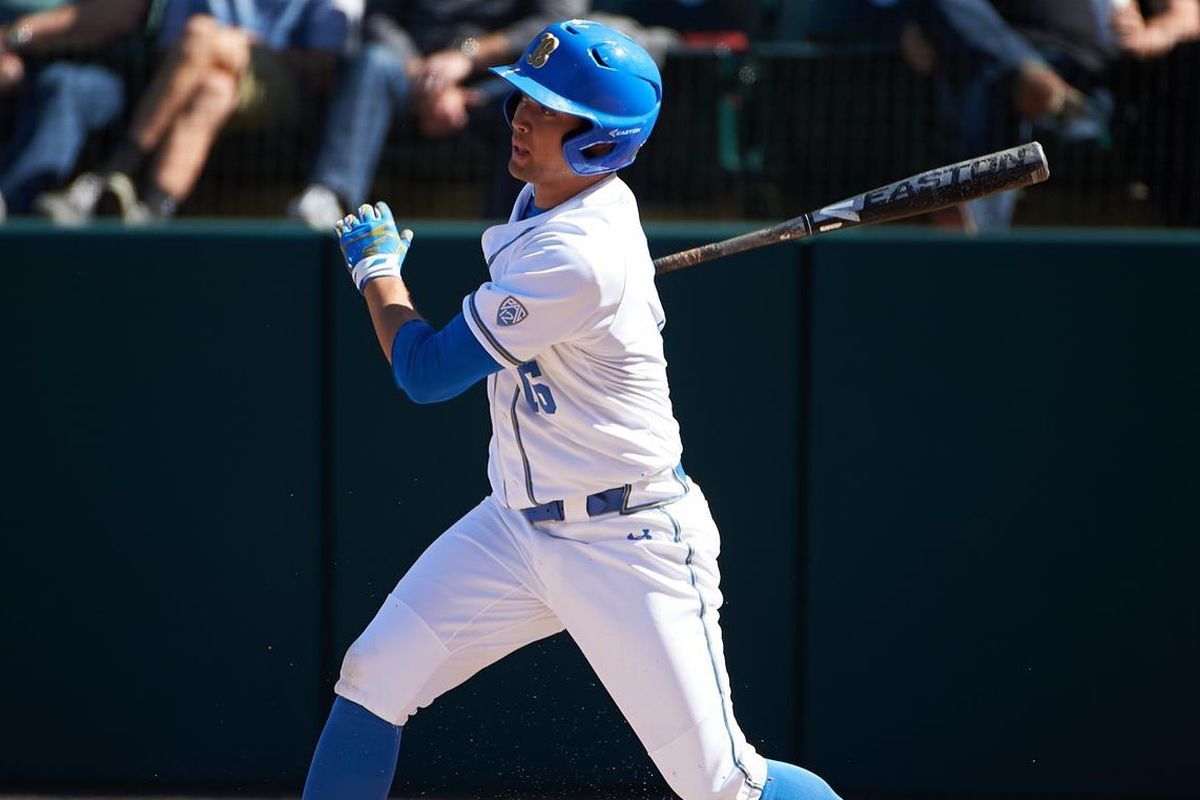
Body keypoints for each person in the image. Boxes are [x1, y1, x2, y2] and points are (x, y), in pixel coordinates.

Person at [302, 19, 841, 800]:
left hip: (627, 538)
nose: (521, 117)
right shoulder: (550, 208)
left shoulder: (579, 254)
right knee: (373, 676)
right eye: (525, 98)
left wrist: (379, 275)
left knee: (722, 784)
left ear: (599, 139)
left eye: (548, 110)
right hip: (517, 524)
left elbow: (424, 373)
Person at [36, 0, 360, 223]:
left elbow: (323, 67)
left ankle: (116, 169)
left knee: (201, 34)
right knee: (213, 89)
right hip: (206, 80)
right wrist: (223, 52)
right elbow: (170, 55)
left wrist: (239, 46)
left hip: (287, 87)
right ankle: (153, 210)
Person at [902, 0, 1200, 231]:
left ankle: (972, 235)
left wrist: (1151, 36)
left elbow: (1187, 15)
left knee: (991, 78)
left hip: (1090, 86)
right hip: (997, 67)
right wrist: (923, 24)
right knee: (990, 72)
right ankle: (1024, 74)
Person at [287, 0, 587, 228]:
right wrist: (425, 79)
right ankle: (331, 197)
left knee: (532, 97)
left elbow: (558, 23)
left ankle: (519, 228)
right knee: (373, 63)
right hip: (414, 72)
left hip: (504, 79)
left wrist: (467, 57)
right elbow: (380, 18)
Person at [0, 0, 149, 220]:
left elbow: (117, 14)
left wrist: (14, 37)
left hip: (102, 78)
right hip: (17, 67)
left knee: (63, 88)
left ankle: (15, 215)